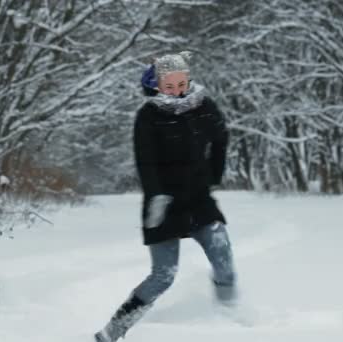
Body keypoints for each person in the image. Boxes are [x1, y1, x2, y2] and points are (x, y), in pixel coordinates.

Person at [94, 51, 238, 342]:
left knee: (223, 258)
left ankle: (230, 319)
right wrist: (157, 195)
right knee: (163, 276)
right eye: (169, 86)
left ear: (188, 79)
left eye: (181, 83)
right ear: (157, 86)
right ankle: (114, 329)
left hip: (198, 199)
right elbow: (144, 161)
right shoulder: (148, 116)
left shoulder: (204, 106)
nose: (176, 90)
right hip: (163, 204)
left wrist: (214, 176)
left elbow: (221, 136)